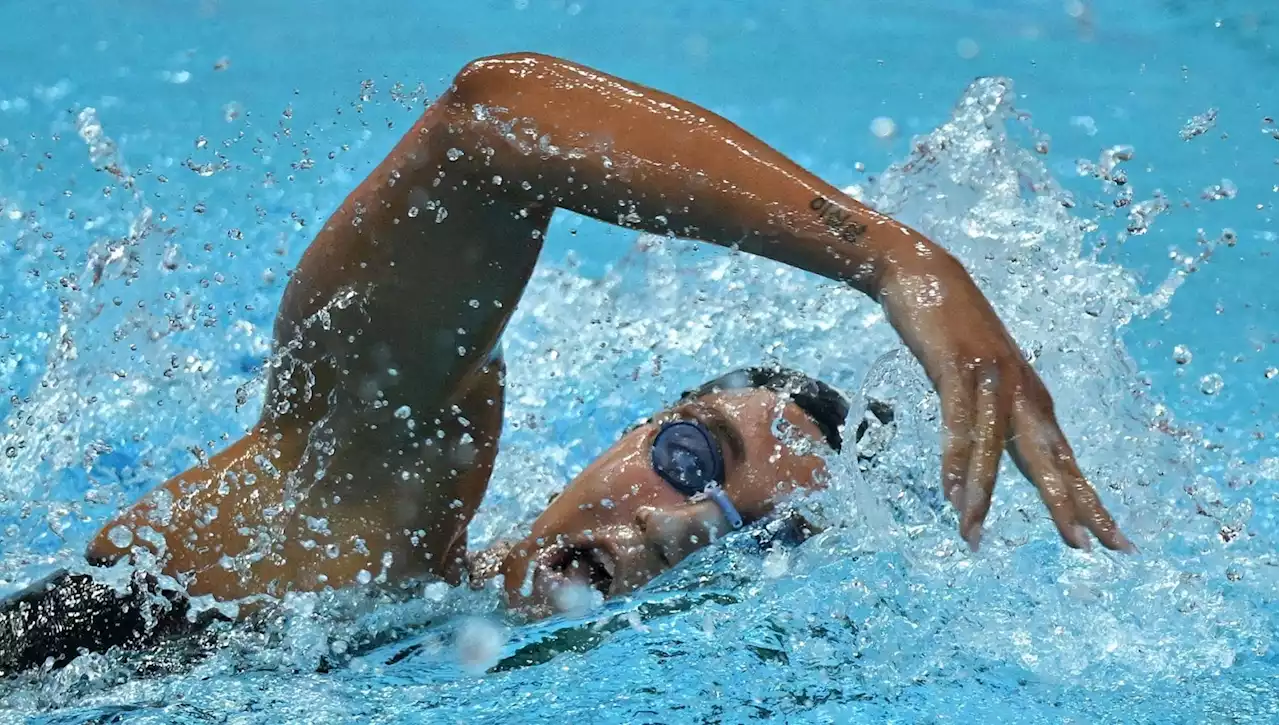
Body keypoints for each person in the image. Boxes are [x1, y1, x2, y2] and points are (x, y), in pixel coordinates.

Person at [0, 52, 1132, 674]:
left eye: (764, 539)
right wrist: (890, 254)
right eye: (690, 454)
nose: (685, 520)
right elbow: (491, 128)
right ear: (629, 433)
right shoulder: (365, 517)